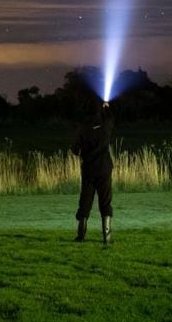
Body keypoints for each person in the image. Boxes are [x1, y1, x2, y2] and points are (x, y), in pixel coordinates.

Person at [71, 99, 114, 244]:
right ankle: (107, 237)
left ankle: (81, 235)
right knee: (105, 201)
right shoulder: (106, 126)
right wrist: (106, 107)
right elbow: (110, 117)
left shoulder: (83, 128)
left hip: (89, 170)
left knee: (85, 201)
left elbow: (75, 150)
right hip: (104, 169)